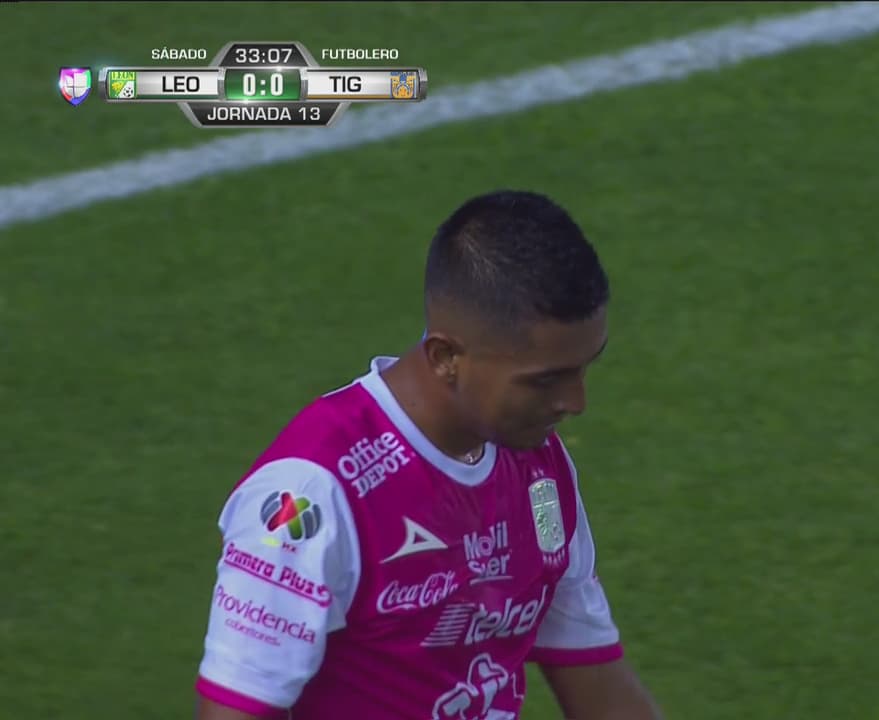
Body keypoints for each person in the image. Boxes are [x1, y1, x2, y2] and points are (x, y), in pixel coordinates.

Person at [194, 190, 663, 720]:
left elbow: (596, 675)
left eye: (584, 368)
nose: (576, 402)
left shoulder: (541, 479)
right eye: (545, 380)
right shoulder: (312, 494)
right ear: (445, 357)